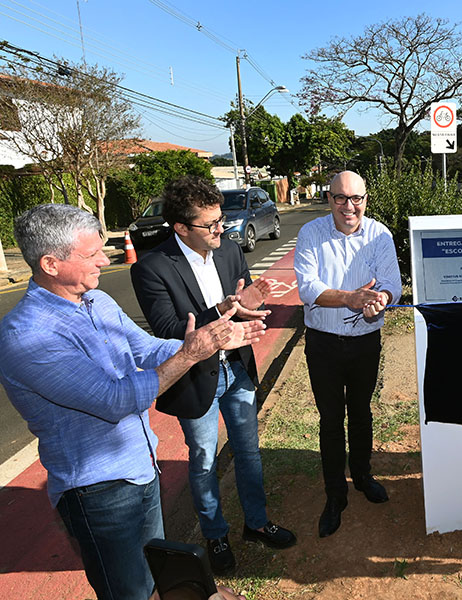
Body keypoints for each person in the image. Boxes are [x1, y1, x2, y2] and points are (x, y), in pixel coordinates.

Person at [0, 204, 264, 600]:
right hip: (96, 493)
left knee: (155, 580)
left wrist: (213, 342)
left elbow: (150, 350)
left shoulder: (97, 302)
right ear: (51, 264)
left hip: (141, 468)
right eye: (91, 254)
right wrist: (192, 354)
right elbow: (115, 399)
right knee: (129, 592)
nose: (105, 260)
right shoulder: (28, 336)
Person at [131, 176, 296, 575]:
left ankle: (256, 522)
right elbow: (171, 330)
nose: (221, 228)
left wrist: (249, 304)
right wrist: (224, 310)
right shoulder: (152, 268)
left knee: (249, 451)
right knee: (204, 460)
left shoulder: (229, 252)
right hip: (195, 378)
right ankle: (215, 534)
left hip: (236, 369)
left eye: (221, 219)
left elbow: (243, 302)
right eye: (211, 224)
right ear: (181, 228)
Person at [294, 170, 402, 538]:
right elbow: (308, 287)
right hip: (323, 342)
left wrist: (381, 299)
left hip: (364, 342)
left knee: (360, 412)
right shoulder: (311, 234)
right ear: (329, 200)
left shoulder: (380, 234)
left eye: (356, 198)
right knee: (329, 419)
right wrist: (350, 298)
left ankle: (363, 475)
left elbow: (393, 284)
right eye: (340, 198)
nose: (348, 206)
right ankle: (334, 494)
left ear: (366, 199)